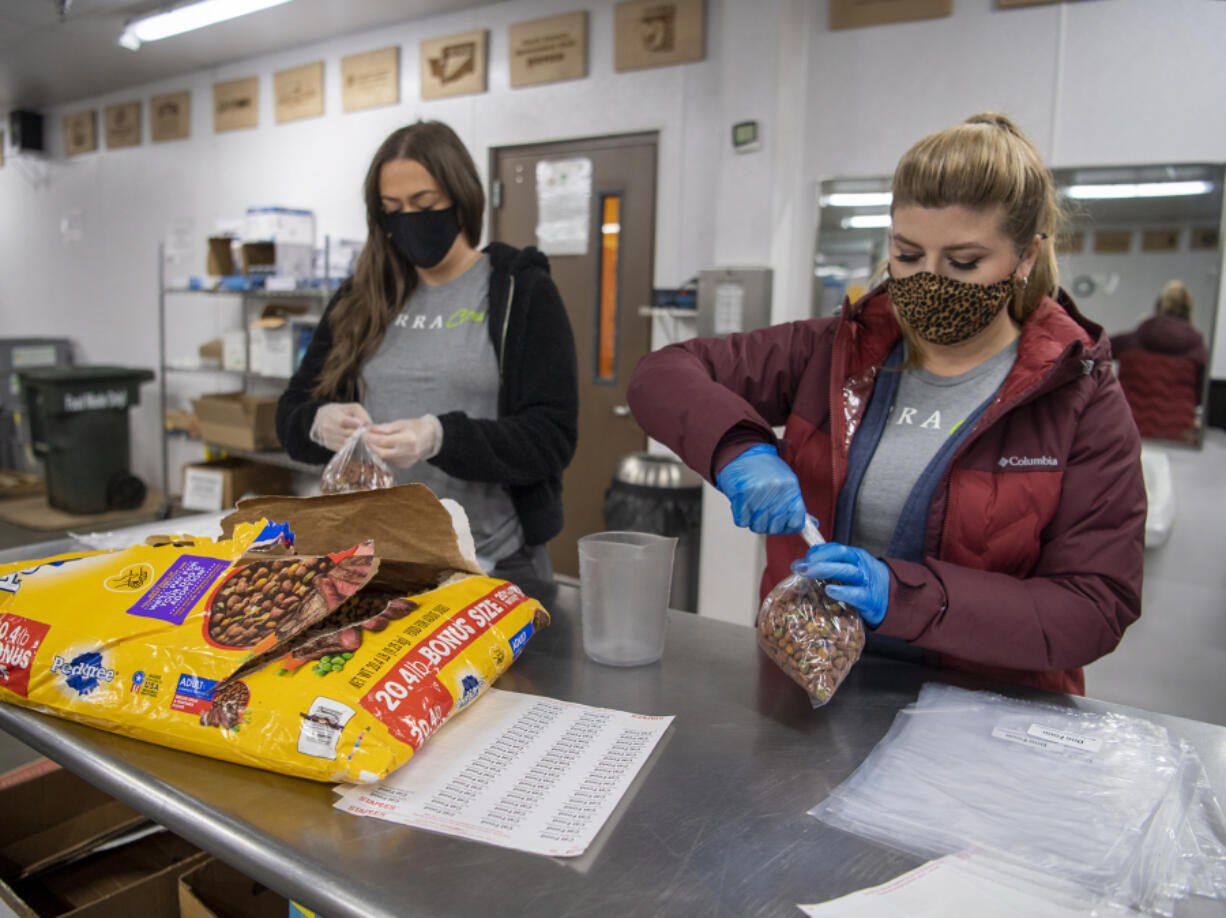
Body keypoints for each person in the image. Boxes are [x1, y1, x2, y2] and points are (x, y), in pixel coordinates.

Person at [627, 113, 1146, 695]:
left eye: (964, 262)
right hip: (812, 687)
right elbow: (663, 374)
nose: (929, 280)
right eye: (907, 254)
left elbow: (1095, 605)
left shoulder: (1076, 396)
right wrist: (736, 447)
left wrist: (905, 597)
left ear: (1025, 257)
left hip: (984, 714)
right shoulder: (836, 350)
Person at [277, 121, 578, 591]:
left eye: (425, 204)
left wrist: (441, 436)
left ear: (461, 197)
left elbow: (552, 437)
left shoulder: (521, 293)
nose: (409, 220)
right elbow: (291, 414)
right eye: (392, 209)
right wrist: (320, 421)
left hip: (492, 560)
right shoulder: (362, 297)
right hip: (379, 558)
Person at [1110, 280, 1208, 433]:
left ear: (1158, 306)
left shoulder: (1131, 340)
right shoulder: (1198, 350)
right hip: (1177, 432)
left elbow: (1095, 351)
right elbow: (1201, 396)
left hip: (1127, 429)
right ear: (1189, 311)